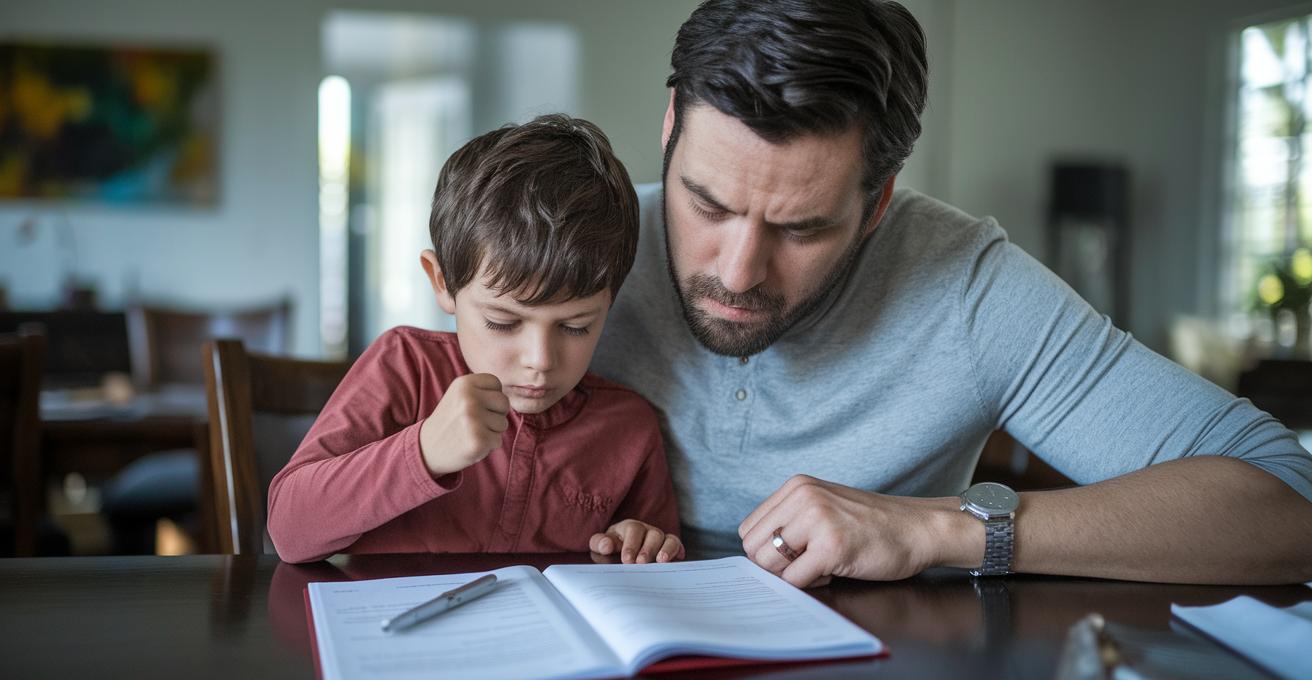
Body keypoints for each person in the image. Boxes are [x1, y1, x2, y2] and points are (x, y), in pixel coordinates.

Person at [590, 0, 1312, 587]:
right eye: (707, 205)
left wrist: (937, 528)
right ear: (670, 129)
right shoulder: (584, 243)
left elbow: (1290, 503)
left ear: (877, 205)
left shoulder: (966, 285)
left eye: (801, 228)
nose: (740, 271)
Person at [268, 114, 682, 565]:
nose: (540, 360)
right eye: (504, 323)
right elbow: (290, 531)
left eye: (575, 326)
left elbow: (657, 556)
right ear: (442, 282)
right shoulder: (405, 367)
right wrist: (422, 451)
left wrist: (641, 542)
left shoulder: (629, 428)